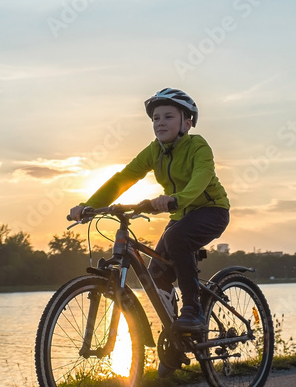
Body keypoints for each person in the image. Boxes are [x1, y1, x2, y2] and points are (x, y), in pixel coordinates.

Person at [69, 88, 230, 339]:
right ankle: (179, 339)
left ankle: (193, 310)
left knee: (178, 238)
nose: (160, 123)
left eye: (168, 117)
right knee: (157, 274)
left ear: (186, 123)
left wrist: (176, 199)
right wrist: (88, 206)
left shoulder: (198, 146)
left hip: (211, 211)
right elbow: (124, 177)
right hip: (180, 217)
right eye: (156, 118)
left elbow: (201, 177)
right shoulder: (154, 151)